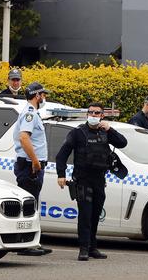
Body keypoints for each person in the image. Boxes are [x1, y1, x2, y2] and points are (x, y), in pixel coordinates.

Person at [56, 102, 128, 261]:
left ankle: (93, 247)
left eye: (97, 113)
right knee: (85, 216)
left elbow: (123, 143)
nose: (93, 116)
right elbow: (61, 155)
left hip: (99, 180)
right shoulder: (78, 133)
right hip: (83, 180)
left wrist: (110, 129)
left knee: (95, 215)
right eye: (91, 113)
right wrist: (61, 174)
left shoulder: (105, 132)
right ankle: (83, 249)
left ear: (102, 116)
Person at [13, 81, 52, 256]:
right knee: (28, 206)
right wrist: (35, 161)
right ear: (37, 95)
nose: (44, 98)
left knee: (31, 204)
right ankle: (24, 244)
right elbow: (24, 138)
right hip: (30, 166)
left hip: (31, 165)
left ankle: (29, 242)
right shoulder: (30, 114)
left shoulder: (32, 113)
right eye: (43, 95)